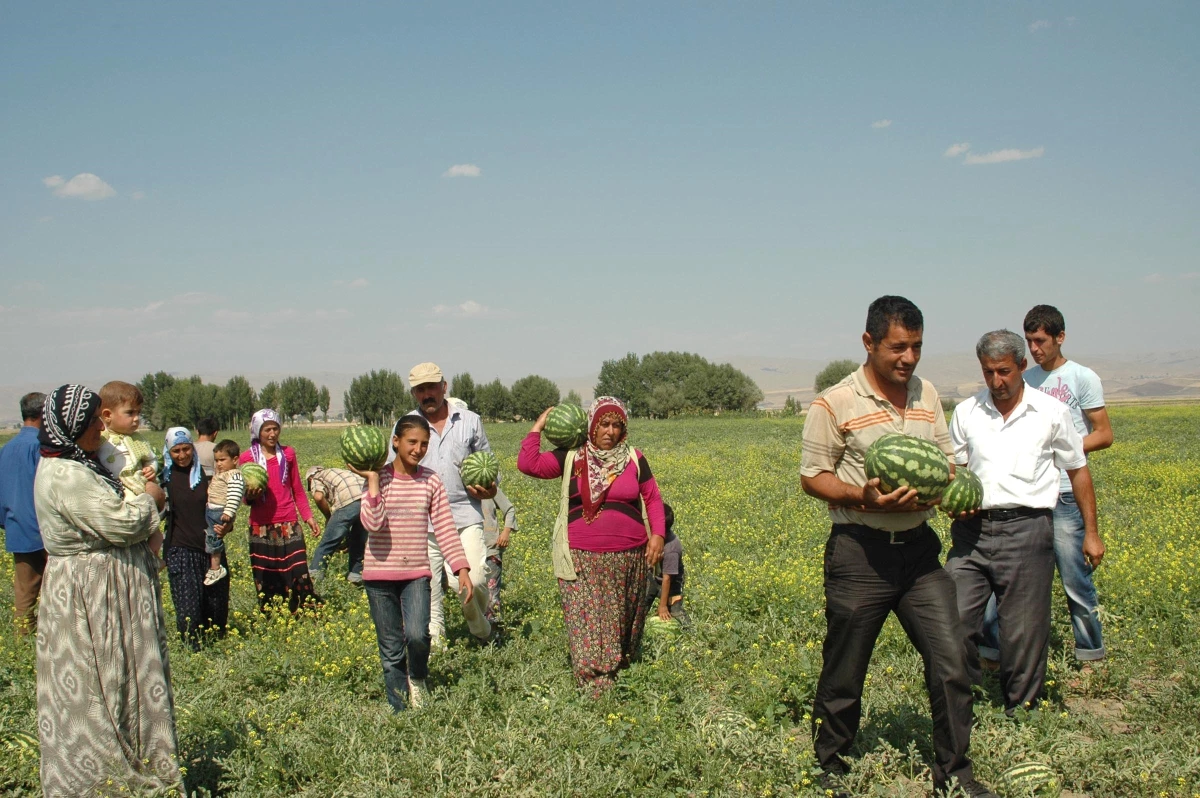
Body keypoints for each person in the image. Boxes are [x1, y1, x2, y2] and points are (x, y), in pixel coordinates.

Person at [800, 296, 993, 798]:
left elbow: (946, 461)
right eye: (898, 347)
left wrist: (954, 494)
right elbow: (813, 478)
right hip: (859, 552)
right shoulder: (834, 402)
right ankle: (831, 766)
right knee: (846, 664)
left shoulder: (927, 394)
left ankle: (955, 774)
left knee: (952, 660)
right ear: (869, 343)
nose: (908, 358)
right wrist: (861, 497)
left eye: (917, 347)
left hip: (919, 553)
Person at [33, 385, 181, 795]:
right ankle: (105, 779)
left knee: (121, 680)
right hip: (93, 595)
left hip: (107, 589)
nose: (101, 427)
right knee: (102, 683)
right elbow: (121, 523)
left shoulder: (83, 463)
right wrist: (150, 498)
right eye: (94, 420)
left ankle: (133, 761)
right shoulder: (66, 475)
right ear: (74, 425)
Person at [945, 330, 1098, 714]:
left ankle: (1022, 713)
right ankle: (967, 704)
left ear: (1022, 367)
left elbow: (1078, 470)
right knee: (953, 619)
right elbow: (956, 472)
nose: (997, 381)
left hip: (1028, 529)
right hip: (972, 532)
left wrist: (1091, 533)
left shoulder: (1051, 412)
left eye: (1004, 371)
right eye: (988, 372)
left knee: (1023, 631)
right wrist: (949, 502)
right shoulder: (966, 412)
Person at [978, 305, 1112, 669]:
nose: (1034, 348)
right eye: (1030, 341)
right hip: (1029, 498)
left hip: (1065, 495)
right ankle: (991, 653)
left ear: (1060, 338)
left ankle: (1090, 654)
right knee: (1000, 577)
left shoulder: (1082, 378)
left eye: (1041, 340)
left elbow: (1104, 434)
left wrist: (1061, 445)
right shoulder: (1026, 378)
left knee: (1074, 579)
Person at [518, 396, 666, 697]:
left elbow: (652, 498)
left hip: (630, 558)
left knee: (624, 622)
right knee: (587, 622)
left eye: (616, 425)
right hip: (582, 558)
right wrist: (538, 426)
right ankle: (594, 687)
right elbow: (529, 464)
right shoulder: (574, 457)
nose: (609, 431)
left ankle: (620, 677)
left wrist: (658, 535)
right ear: (591, 426)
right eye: (603, 424)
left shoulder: (635, 458)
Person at [353, 415, 474, 711]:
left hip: (416, 574)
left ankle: (417, 677)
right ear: (395, 442)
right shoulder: (378, 478)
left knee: (419, 634)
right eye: (412, 442)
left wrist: (461, 568)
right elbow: (372, 523)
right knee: (392, 648)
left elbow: (444, 526)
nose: (418, 449)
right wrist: (371, 482)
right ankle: (399, 708)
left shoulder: (431, 479)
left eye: (424, 444)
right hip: (379, 576)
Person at [402, 362, 496, 647]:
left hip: (464, 514)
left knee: (472, 580)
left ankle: (481, 628)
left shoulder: (469, 420)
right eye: (421, 389)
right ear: (414, 393)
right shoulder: (405, 424)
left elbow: (489, 465)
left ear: (444, 386)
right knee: (430, 590)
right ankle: (437, 647)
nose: (427, 394)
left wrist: (490, 485)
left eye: (432, 387)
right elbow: (391, 469)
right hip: (422, 519)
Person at [238, 409, 321, 613]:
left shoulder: (288, 454)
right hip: (261, 526)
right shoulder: (247, 458)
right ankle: (274, 615)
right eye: (267, 429)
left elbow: (298, 490)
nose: (272, 434)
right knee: (268, 575)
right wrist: (252, 496)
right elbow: (245, 499)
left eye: (275, 429)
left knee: (299, 570)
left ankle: (304, 611)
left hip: (289, 522)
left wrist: (308, 517)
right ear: (258, 431)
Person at [161, 427, 231, 649]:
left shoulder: (206, 475)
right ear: (168, 452)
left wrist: (227, 526)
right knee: (188, 610)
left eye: (186, 449)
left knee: (216, 607)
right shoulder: (164, 479)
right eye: (176, 451)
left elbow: (223, 506)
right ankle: (193, 651)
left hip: (210, 549)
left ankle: (216, 651)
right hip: (181, 550)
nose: (182, 455)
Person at [97, 380, 163, 558]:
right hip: (115, 490)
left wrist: (151, 468)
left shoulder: (137, 439)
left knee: (151, 527)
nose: (136, 418)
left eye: (138, 413)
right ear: (107, 415)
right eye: (130, 413)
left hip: (137, 485)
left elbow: (151, 458)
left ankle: (154, 556)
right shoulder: (100, 439)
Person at [0, 392, 46, 636]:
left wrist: (8, 522)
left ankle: (21, 646)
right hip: (43, 530)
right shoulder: (41, 447)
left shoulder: (6, 449)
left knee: (24, 598)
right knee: (55, 595)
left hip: (17, 530)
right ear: (42, 414)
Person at [306, 465, 367, 584]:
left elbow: (318, 497)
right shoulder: (339, 471)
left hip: (348, 500)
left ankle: (315, 576)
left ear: (309, 479)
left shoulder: (317, 477)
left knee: (328, 542)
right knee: (358, 540)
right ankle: (355, 575)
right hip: (367, 499)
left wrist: (328, 517)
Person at [643, 502, 691, 629]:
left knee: (675, 612)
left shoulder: (671, 548)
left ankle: (690, 632)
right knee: (640, 609)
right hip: (653, 579)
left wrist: (663, 606)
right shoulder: (651, 536)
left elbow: (667, 579)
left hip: (672, 584)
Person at [205, 439, 245, 586]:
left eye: (222, 460)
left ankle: (216, 568)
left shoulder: (234, 475)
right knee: (210, 535)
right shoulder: (223, 473)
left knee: (214, 538)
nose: (219, 463)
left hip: (220, 512)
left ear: (235, 460)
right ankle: (214, 567)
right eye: (216, 460)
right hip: (212, 509)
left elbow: (235, 495)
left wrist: (229, 511)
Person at [481, 488, 517, 624]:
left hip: (491, 549)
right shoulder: (460, 489)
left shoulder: (489, 487)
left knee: (492, 596)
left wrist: (506, 532)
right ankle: (479, 633)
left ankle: (494, 636)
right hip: (468, 551)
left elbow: (509, 509)